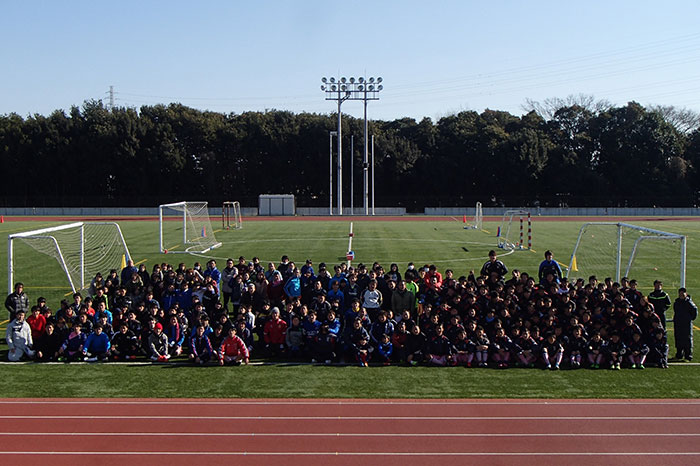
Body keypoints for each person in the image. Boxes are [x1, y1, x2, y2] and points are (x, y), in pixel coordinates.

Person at [673, 287, 697, 361]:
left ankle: (688, 355)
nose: (682, 294)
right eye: (680, 293)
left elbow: (694, 311)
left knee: (687, 339)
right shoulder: (677, 302)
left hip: (686, 324)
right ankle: (679, 354)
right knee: (678, 338)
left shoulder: (689, 302)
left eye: (683, 293)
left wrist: (689, 319)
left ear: (686, 294)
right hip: (678, 323)